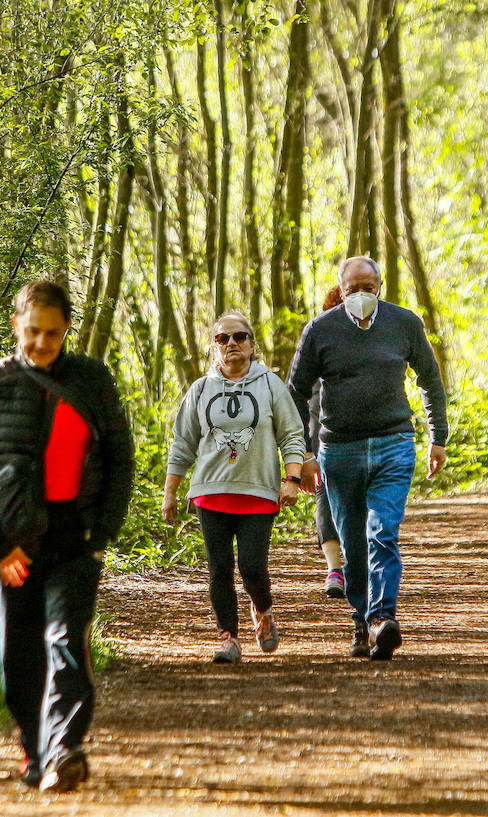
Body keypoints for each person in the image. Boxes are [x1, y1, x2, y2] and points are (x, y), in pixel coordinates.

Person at [0, 280, 135, 793]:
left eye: (53, 334)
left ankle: (65, 748)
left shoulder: (91, 381)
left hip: (74, 536)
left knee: (66, 640)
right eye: (33, 332)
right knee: (17, 653)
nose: (42, 343)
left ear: (66, 332)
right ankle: (34, 750)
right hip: (11, 543)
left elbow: (118, 458)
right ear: (15, 325)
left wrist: (102, 530)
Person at [287, 256, 448, 660]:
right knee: (353, 544)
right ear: (340, 290)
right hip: (339, 450)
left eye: (368, 287)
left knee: (383, 532)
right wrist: (303, 454)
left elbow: (429, 378)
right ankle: (361, 618)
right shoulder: (319, 331)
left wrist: (437, 436)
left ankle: (382, 618)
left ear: (381, 286)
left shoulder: (404, 323)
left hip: (394, 442)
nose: (361, 295)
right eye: (353, 288)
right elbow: (294, 393)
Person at [162, 312, 306, 663]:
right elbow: (183, 443)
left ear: (252, 344)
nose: (231, 344)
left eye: (239, 337)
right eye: (222, 339)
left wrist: (292, 478)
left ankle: (264, 610)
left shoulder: (270, 384)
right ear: (214, 347)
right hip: (211, 492)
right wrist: (170, 492)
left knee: (253, 567)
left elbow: (292, 434)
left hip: (259, 491)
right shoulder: (200, 389)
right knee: (220, 568)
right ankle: (228, 637)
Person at [312, 285, 346, 597]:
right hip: (320, 433)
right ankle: (335, 568)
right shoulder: (316, 338)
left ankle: (352, 564)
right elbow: (295, 389)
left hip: (362, 435)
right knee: (324, 496)